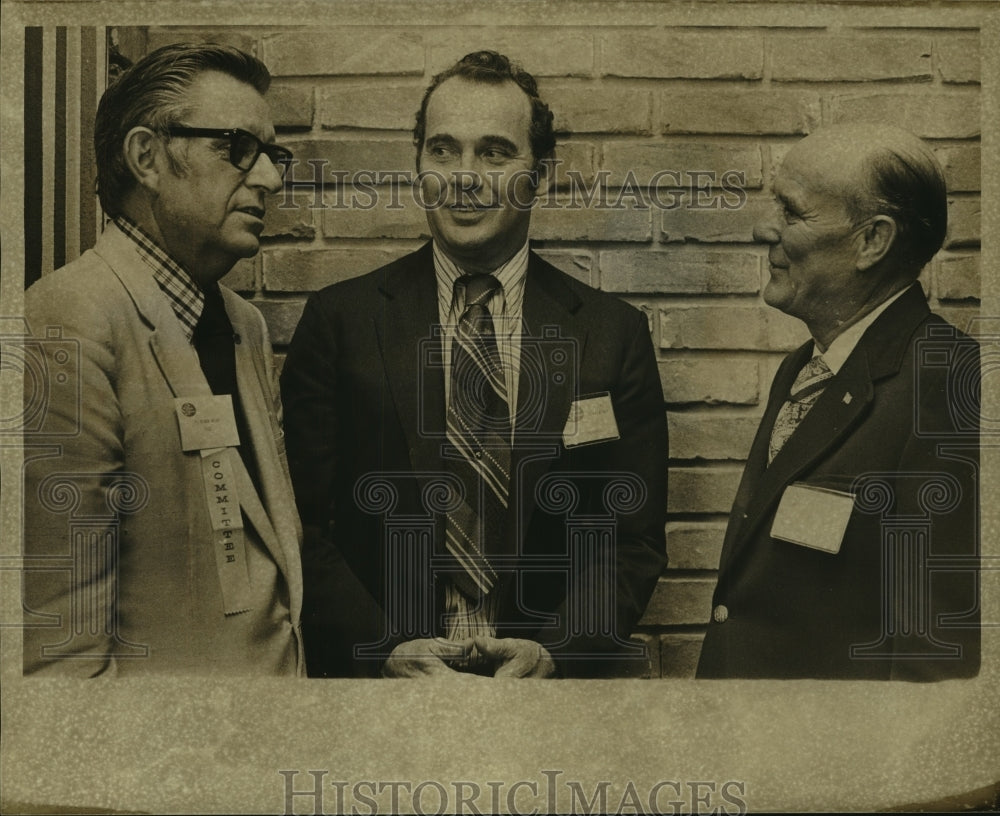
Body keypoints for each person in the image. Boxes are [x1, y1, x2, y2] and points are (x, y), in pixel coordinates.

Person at [280, 51, 668, 678]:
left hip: (546, 695)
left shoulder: (611, 335)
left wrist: (555, 654)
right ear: (418, 167)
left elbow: (631, 540)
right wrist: (384, 651)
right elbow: (302, 527)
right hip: (380, 693)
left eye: (494, 153)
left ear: (538, 174)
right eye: (442, 150)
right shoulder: (340, 322)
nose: (464, 176)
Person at [22, 43, 304, 676]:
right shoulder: (63, 321)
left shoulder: (242, 325)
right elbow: (60, 658)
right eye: (236, 148)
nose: (270, 178)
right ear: (147, 157)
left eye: (272, 154)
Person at [696, 124, 980, 680]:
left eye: (792, 212)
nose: (763, 228)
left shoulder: (949, 387)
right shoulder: (805, 368)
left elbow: (937, 657)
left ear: (872, 241)